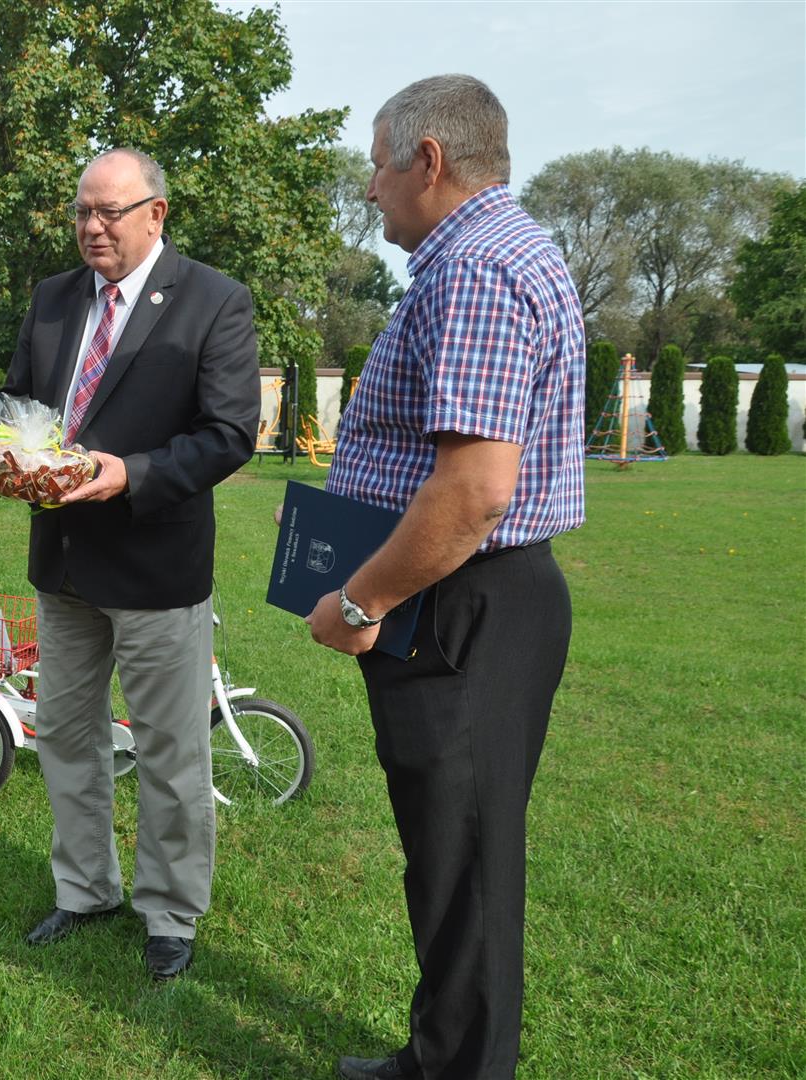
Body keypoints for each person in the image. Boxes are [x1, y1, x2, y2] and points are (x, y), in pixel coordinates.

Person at [305, 76, 586, 1079]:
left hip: (461, 604)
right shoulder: (503, 252)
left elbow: (474, 491)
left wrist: (360, 601)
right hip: (483, 599)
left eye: (377, 165)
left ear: (428, 161)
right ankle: (444, 1055)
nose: (370, 189)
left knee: (462, 862)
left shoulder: (474, 271)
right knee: (460, 858)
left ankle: (459, 1068)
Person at [0, 147, 260, 981]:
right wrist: (6, 452)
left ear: (156, 213)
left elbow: (229, 434)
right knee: (65, 735)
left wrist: (131, 475)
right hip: (65, 563)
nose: (92, 227)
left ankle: (171, 912)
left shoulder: (214, 301)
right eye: (82, 211)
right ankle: (84, 890)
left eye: (109, 211)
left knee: (169, 750)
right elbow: (19, 402)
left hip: (155, 566)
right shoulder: (52, 299)